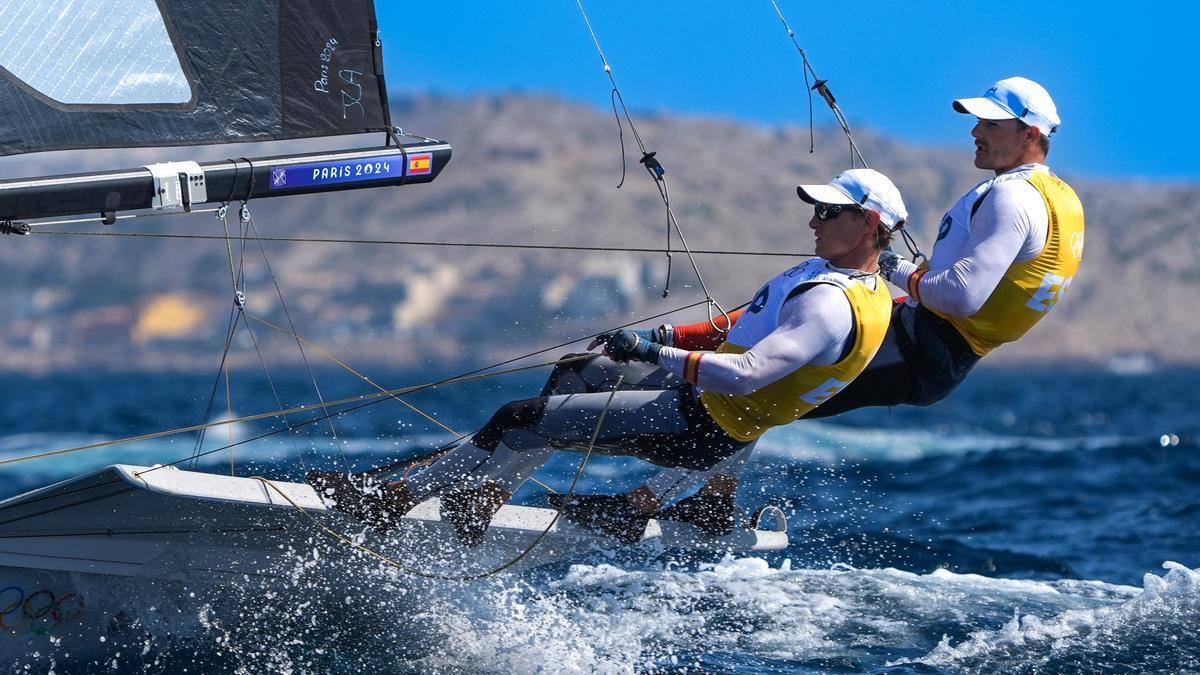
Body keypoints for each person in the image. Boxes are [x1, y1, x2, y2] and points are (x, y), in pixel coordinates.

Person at [310, 169, 908, 545]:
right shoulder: (829, 273)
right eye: (817, 208)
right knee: (578, 374)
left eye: (829, 212)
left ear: (869, 223)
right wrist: (672, 331)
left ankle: (391, 502)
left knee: (516, 418)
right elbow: (745, 323)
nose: (814, 219)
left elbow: (750, 374)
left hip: (702, 426)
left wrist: (653, 351)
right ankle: (481, 498)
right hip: (693, 397)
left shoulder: (832, 306)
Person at [604, 75, 1088, 537]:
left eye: (991, 124)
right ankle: (712, 498)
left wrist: (900, 271)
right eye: (978, 121)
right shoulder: (1061, 198)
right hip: (932, 344)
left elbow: (961, 296)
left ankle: (646, 503)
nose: (975, 131)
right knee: (778, 345)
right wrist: (918, 277)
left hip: (924, 346)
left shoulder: (1012, 197)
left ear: (1030, 132)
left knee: (765, 379)